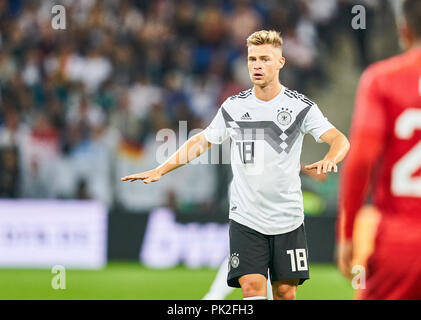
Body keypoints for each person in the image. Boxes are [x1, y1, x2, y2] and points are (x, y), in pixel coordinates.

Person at [122, 30, 350, 300]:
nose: (257, 65)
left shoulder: (300, 107)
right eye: (252, 59)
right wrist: (161, 168)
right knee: (252, 287)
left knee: (285, 293)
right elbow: (203, 141)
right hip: (246, 218)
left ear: (281, 63)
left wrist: (329, 159)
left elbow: (339, 140)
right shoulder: (233, 107)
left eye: (265, 59)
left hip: (287, 219)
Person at [336, 0, 421, 300]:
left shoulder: (382, 79)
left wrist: (347, 234)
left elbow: (360, 161)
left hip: (400, 244)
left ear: (404, 31)